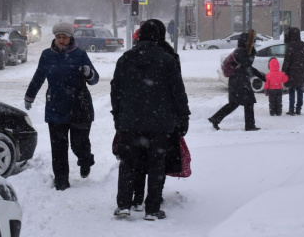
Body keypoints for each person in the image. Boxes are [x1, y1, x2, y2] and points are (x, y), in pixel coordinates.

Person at [111, 19, 190, 220]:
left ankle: (124, 205)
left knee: (128, 163)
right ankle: (152, 209)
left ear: (140, 36)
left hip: (130, 121)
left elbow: (116, 89)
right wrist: (183, 116)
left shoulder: (125, 59)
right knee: (157, 164)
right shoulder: (167, 59)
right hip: (160, 123)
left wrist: (118, 115)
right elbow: (178, 91)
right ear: (158, 36)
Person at [24, 22, 100, 191]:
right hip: (55, 107)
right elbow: (38, 77)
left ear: (70, 38)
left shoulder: (80, 54)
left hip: (78, 107)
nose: (61, 40)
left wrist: (89, 73)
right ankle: (61, 180)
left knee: (79, 144)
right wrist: (29, 96)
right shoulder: (47, 55)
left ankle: (85, 160)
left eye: (64, 37)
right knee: (58, 147)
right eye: (58, 37)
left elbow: (94, 80)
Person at [208, 30, 266, 131]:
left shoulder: (242, 51)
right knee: (248, 102)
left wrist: (262, 77)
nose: (254, 44)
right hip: (239, 81)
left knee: (234, 104)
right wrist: (261, 76)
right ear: (247, 42)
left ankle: (215, 119)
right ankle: (249, 126)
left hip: (238, 81)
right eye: (253, 42)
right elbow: (247, 65)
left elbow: (248, 67)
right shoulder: (241, 52)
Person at [281, 26, 304, 115]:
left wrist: (283, 70)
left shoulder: (290, 45)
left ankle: (291, 109)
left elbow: (287, 60)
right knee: (300, 89)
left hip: (291, 71)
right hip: (301, 71)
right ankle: (299, 109)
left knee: (292, 89)